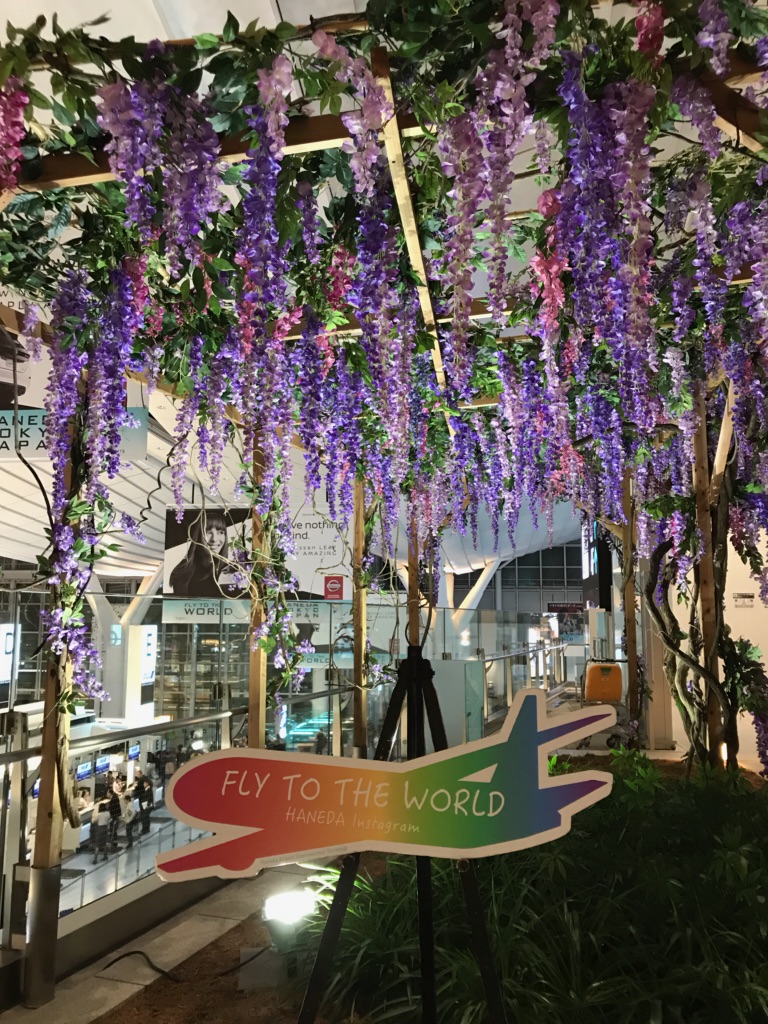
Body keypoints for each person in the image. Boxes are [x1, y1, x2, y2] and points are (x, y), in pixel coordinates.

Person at [168, 510, 244, 598]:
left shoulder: (234, 571)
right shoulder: (181, 572)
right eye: (208, 532)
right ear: (198, 535)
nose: (214, 539)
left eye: (220, 532)